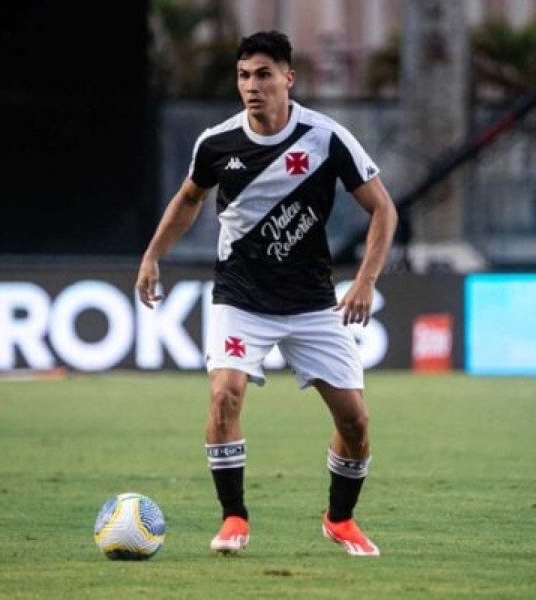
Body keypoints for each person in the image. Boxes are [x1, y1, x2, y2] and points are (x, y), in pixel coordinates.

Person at [136, 30, 398, 557]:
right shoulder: (216, 143)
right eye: (243, 76)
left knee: (355, 421)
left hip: (312, 303)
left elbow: (383, 209)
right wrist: (152, 255)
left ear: (287, 78)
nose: (251, 86)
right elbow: (188, 199)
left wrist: (366, 280)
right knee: (224, 394)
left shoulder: (326, 138)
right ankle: (234, 518)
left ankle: (340, 519)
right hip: (241, 299)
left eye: (263, 75)